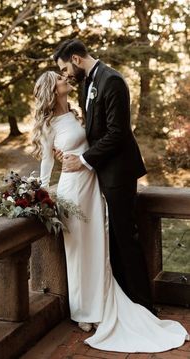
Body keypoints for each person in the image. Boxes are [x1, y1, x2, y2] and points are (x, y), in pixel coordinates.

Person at [32, 70, 189, 352]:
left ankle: (100, 304)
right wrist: (39, 194)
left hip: (92, 188)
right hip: (71, 191)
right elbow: (46, 163)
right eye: (58, 78)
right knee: (78, 250)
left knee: (98, 247)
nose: (65, 78)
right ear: (51, 90)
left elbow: (93, 144)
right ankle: (82, 312)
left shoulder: (75, 114)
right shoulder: (49, 124)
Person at [53, 39, 154, 313]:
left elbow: (117, 133)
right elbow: (93, 131)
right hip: (99, 172)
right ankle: (120, 299)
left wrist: (84, 160)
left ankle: (144, 305)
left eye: (64, 68)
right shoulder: (87, 82)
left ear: (75, 59)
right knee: (110, 239)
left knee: (125, 237)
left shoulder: (113, 81)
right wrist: (70, 152)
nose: (65, 75)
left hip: (119, 172)